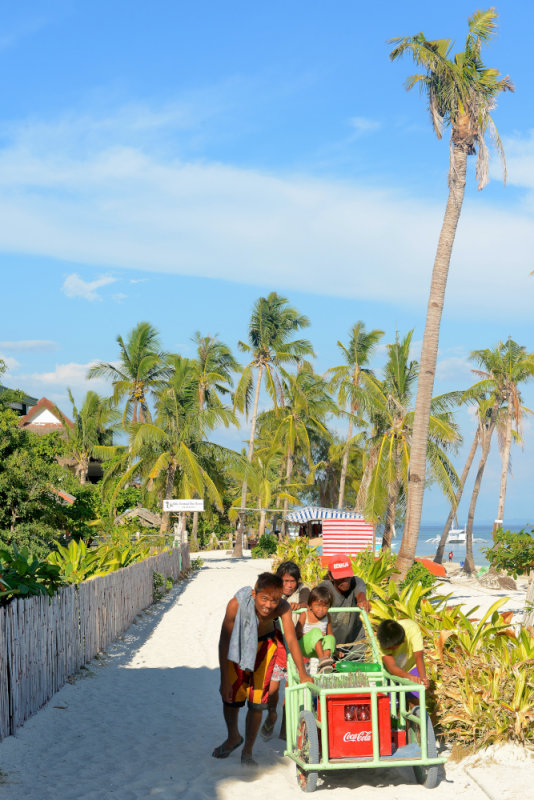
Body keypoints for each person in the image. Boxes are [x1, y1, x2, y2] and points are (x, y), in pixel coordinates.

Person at [213, 572, 312, 767]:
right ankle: (233, 737)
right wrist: (224, 679)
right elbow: (224, 642)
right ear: (253, 594)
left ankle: (247, 751)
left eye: (273, 600)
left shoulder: (282, 608)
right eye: (263, 599)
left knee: (258, 702)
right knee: (231, 697)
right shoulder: (236, 604)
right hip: (238, 650)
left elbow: (291, 639)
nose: (268, 605)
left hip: (265, 649)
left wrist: (302, 672)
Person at [260, 561, 309, 741]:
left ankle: (285, 728)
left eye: (292, 581)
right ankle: (272, 716)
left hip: (295, 645)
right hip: (276, 645)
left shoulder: (303, 590)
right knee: (273, 689)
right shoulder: (273, 592)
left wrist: (300, 605)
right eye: (285, 581)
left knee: (291, 689)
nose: (289, 585)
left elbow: (306, 599)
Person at [319, 553, 371, 653]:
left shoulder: (357, 582)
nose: (346, 581)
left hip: (355, 643)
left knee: (358, 668)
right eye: (340, 577)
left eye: (347, 576)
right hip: (330, 646)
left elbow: (360, 595)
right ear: (330, 577)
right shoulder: (323, 589)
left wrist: (363, 602)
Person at [376, 618, 430, 698]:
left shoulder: (412, 627)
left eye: (391, 648)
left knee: (415, 698)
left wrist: (423, 678)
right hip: (391, 673)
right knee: (394, 706)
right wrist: (409, 677)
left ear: (402, 642)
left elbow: (418, 656)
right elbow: (392, 667)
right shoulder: (381, 641)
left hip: (411, 666)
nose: (389, 650)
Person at [295, 586, 336, 673]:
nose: (321, 609)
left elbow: (330, 634)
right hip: (305, 647)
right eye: (317, 605)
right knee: (316, 631)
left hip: (319, 649)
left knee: (330, 637)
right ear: (310, 605)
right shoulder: (305, 614)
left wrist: (335, 649)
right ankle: (322, 660)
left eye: (325, 606)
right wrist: (313, 635)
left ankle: (326, 662)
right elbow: (297, 634)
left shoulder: (327, 617)